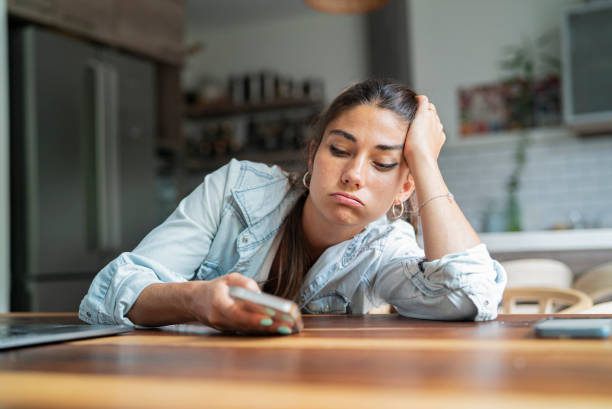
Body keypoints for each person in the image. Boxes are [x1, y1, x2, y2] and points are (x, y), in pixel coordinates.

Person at [79, 79, 507, 335]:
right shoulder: (236, 189)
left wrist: (427, 163)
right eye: (340, 150)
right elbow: (111, 291)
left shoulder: (387, 247)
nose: (355, 174)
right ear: (312, 156)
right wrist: (197, 300)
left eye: (383, 163)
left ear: (404, 187)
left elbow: (470, 295)